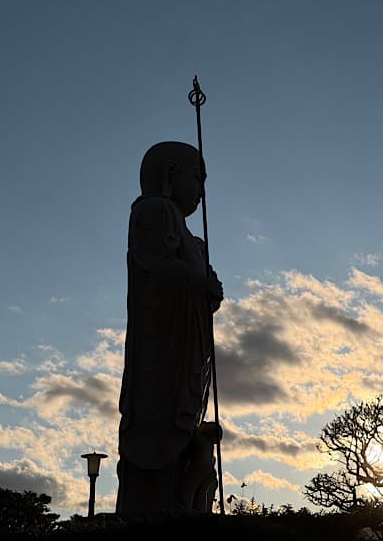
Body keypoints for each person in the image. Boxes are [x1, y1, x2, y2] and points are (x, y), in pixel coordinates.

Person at [116, 141, 223, 516]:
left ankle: (188, 499)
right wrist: (199, 282)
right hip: (160, 356)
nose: (201, 193)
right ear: (171, 174)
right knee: (163, 425)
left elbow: (188, 277)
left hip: (184, 351)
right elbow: (156, 274)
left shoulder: (187, 234)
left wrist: (206, 289)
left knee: (188, 427)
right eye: (198, 179)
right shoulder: (154, 210)